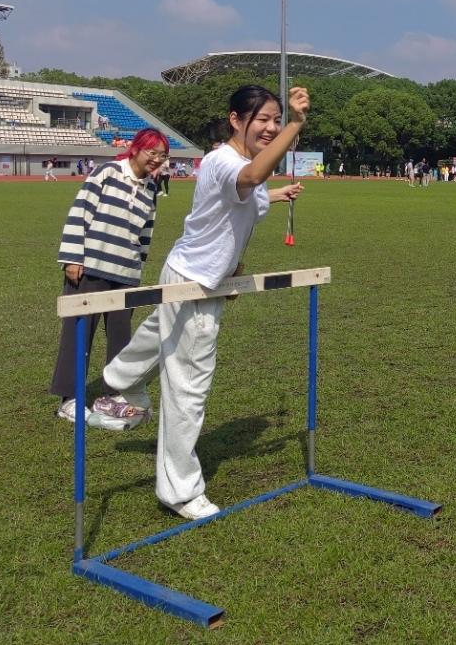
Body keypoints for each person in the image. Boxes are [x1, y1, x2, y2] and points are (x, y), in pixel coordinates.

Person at [98, 85, 306, 520]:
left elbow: (252, 196)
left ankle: (120, 380)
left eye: (275, 120)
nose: (270, 128)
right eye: (262, 119)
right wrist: (295, 124)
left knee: (159, 334)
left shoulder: (240, 165)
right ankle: (179, 491)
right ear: (235, 120)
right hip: (195, 283)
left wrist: (279, 194)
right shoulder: (222, 161)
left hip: (189, 273)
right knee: (188, 388)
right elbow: (249, 180)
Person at [51, 128, 170, 428]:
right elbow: (79, 212)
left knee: (121, 338)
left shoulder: (151, 188)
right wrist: (72, 257)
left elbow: (145, 234)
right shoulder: (107, 173)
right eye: (152, 152)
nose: (157, 159)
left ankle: (115, 394)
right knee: (79, 333)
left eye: (162, 155)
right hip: (90, 267)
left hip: (125, 273)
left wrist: (137, 268)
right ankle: (69, 399)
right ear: (136, 149)